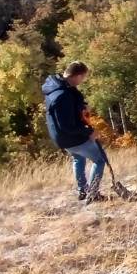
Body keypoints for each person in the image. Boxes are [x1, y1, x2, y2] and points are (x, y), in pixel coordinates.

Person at [42, 61, 108, 203]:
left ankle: (83, 191)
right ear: (76, 76)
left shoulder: (59, 85)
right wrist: (88, 132)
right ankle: (93, 194)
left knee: (78, 158)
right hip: (70, 137)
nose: (83, 81)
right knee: (100, 160)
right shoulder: (62, 95)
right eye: (83, 77)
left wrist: (82, 107)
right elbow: (67, 125)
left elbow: (72, 106)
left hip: (61, 137)